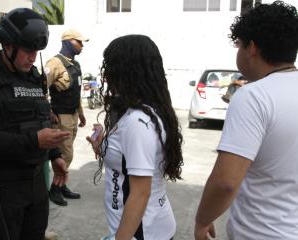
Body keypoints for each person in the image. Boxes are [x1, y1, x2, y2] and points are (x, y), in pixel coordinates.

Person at [195, 1, 298, 240]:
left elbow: (225, 182)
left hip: (260, 233)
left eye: (238, 44)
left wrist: (202, 220)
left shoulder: (253, 96)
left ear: (252, 48)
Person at [0, 8, 70, 240]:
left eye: (36, 51)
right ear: (8, 46)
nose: (33, 57)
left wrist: (55, 155)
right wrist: (35, 140)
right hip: (1, 188)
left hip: (35, 186)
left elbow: (41, 119)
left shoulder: (35, 79)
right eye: (28, 50)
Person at [87, 35, 184, 240]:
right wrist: (104, 146)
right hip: (146, 227)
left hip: (141, 232)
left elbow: (140, 193)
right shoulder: (147, 111)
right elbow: (127, 159)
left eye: (110, 67)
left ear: (126, 71)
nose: (106, 75)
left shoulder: (137, 122)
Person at [45, 29, 88, 206]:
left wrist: (82, 113)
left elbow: (76, 92)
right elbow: (40, 89)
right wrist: (48, 112)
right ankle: (54, 190)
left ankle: (62, 186)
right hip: (60, 117)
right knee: (66, 155)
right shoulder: (54, 63)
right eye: (79, 42)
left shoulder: (75, 65)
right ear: (68, 42)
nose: (82, 46)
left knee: (66, 154)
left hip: (73, 115)